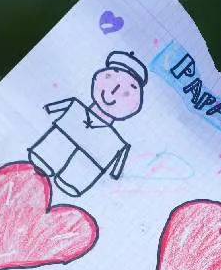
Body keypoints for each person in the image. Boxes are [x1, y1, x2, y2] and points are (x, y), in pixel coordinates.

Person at [27, 50, 148, 197]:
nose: (115, 90)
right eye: (111, 76)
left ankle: (70, 180)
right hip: (60, 139)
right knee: (47, 155)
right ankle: (46, 161)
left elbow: (119, 163)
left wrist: (115, 174)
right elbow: (49, 109)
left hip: (88, 161)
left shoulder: (116, 141)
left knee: (74, 177)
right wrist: (46, 109)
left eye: (130, 90)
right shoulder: (75, 106)